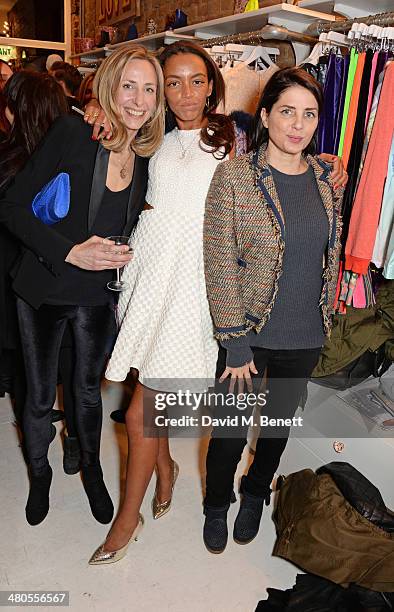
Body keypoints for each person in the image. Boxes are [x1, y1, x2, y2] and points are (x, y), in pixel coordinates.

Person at [87, 41, 347, 565]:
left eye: (198, 80)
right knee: (152, 402)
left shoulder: (232, 138)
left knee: (173, 407)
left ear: (213, 86)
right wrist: (96, 108)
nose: (186, 92)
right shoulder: (145, 137)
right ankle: (168, 485)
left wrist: (329, 164)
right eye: (174, 82)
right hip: (158, 280)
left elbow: (286, 161)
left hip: (207, 292)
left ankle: (175, 489)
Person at [0, 45, 165, 526]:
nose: (137, 100)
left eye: (148, 89)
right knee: (36, 395)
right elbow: (9, 208)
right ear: (110, 86)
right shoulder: (75, 132)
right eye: (128, 86)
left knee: (88, 392)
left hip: (97, 294)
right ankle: (40, 475)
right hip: (47, 286)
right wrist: (71, 251)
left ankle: (91, 470)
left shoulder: (149, 151)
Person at [202, 67, 344, 553]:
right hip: (249, 334)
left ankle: (255, 493)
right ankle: (216, 504)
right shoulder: (236, 177)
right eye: (287, 112)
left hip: (304, 334)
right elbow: (219, 262)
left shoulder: (327, 180)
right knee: (228, 436)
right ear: (265, 116)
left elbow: (330, 254)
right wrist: (235, 343)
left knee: (277, 428)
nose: (298, 125)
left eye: (309, 114)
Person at [0, 71, 68, 420]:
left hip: (12, 276)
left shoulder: (8, 158)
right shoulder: (66, 158)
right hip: (49, 276)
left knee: (24, 362)